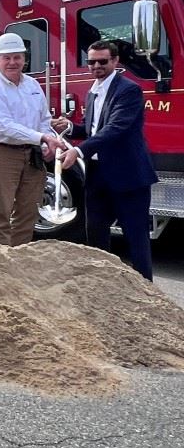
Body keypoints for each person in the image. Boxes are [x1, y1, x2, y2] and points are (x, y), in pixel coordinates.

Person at [54, 41, 157, 280]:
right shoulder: (94, 90)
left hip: (128, 175)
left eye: (102, 61)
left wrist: (78, 152)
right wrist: (69, 127)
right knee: (96, 234)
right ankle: (103, 285)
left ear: (115, 61)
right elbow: (93, 129)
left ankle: (147, 292)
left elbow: (115, 128)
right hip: (98, 174)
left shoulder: (128, 90)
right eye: (91, 62)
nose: (96, 66)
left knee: (135, 237)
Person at [0, 32, 60, 246]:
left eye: (17, 57)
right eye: (6, 57)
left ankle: (20, 260)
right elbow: (4, 125)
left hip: (32, 153)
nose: (12, 62)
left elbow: (44, 118)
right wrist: (43, 137)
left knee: (28, 211)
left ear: (24, 58)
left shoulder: (32, 85)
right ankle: (0, 265)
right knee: (0, 212)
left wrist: (44, 141)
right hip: (0, 153)